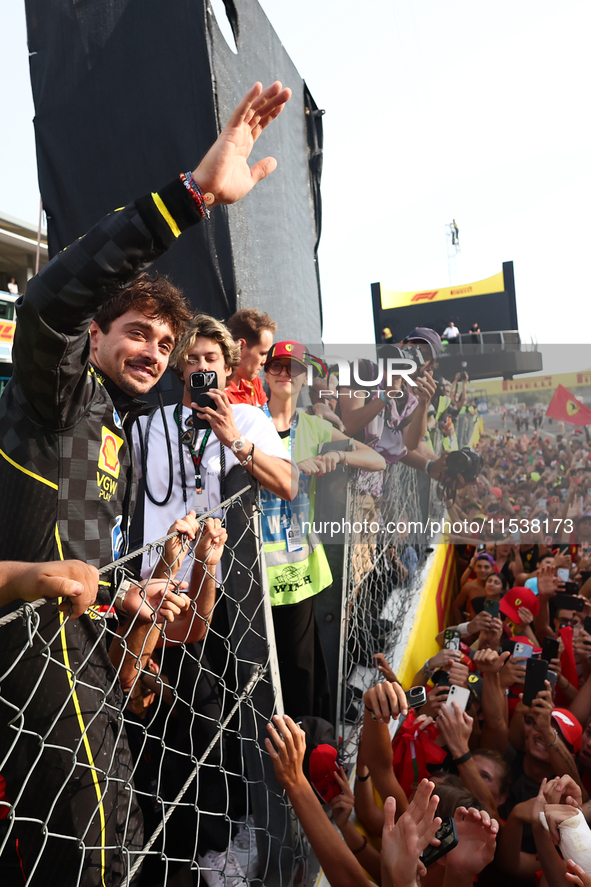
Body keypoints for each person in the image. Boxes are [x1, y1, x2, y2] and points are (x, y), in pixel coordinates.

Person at [0, 80, 292, 887]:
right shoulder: (54, 390)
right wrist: (192, 197)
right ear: (92, 336)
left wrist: (119, 598)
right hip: (23, 659)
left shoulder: (114, 428)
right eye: (136, 332)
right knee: (95, 846)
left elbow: (70, 557)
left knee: (115, 828)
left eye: (165, 342)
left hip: (81, 647)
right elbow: (50, 302)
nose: (154, 352)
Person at [260, 340, 386, 718]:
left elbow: (376, 459)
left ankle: (308, 745)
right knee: (260, 669)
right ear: (266, 372)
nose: (285, 373)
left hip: (297, 566)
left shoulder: (314, 426)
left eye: (294, 368)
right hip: (254, 567)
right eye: (278, 366)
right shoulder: (249, 420)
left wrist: (337, 454)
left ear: (305, 378)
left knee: (300, 666)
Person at [225, 307, 277, 406]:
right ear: (241, 347)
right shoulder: (219, 391)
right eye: (262, 354)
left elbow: (268, 419)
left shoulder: (254, 382)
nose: (265, 361)